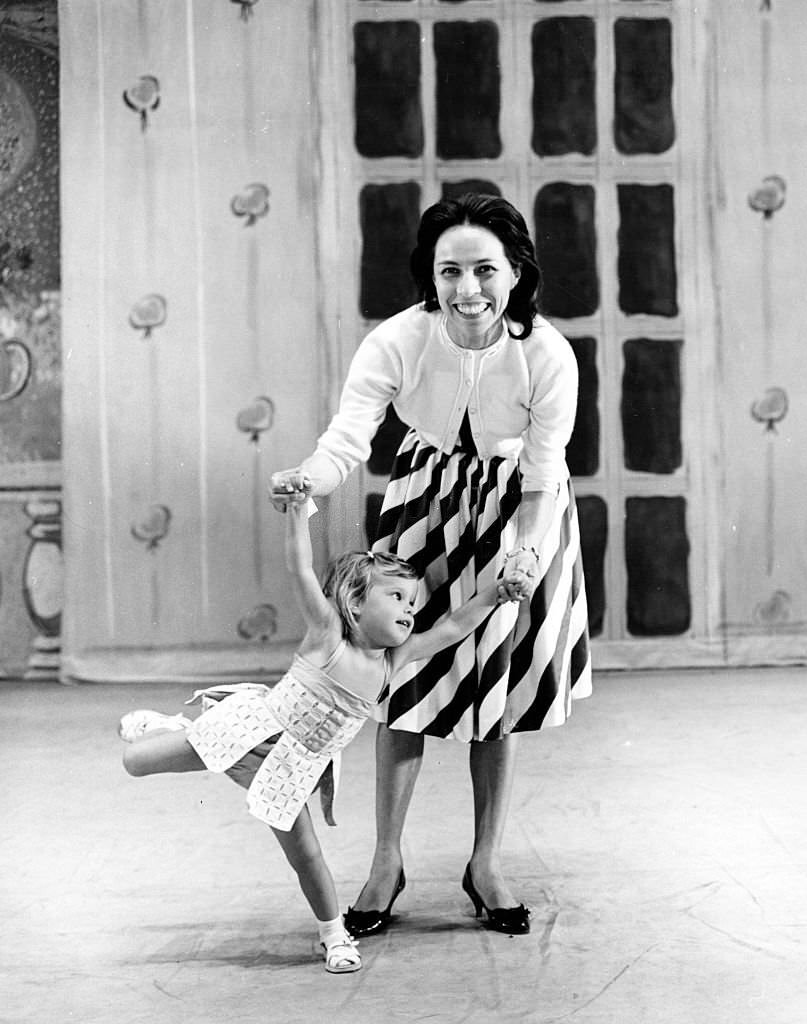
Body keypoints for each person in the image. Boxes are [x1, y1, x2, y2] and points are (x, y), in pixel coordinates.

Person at [269, 192, 592, 938]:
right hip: (426, 498)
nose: (467, 290)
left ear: (515, 272)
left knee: (493, 684)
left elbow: (543, 474)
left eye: (484, 270)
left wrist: (527, 553)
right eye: (450, 271)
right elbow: (347, 439)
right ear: (430, 275)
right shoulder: (397, 340)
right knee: (398, 677)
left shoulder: (546, 353)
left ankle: (486, 862)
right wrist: (307, 478)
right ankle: (386, 861)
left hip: (519, 509)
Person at [118, 476, 523, 973]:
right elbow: (301, 569)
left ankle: (335, 937)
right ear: (355, 602)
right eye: (396, 597)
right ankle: (171, 726)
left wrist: (496, 594)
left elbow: (453, 629)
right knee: (134, 762)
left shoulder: (395, 663)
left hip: (293, 767)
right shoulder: (327, 634)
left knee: (305, 854)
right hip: (250, 730)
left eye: (411, 603)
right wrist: (298, 511)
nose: (410, 611)